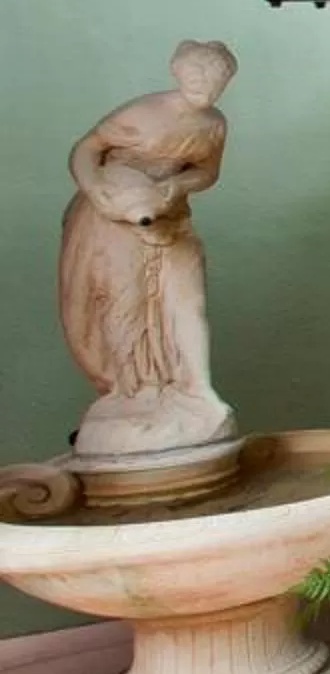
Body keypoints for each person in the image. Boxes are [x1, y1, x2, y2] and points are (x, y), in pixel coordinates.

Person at [59, 40, 238, 458]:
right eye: (198, 74)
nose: (206, 85)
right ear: (179, 71)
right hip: (114, 215)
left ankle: (197, 389)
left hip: (168, 213)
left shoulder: (213, 125)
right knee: (124, 301)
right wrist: (97, 191)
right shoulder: (143, 113)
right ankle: (132, 390)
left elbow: (207, 172)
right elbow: (86, 149)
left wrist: (178, 184)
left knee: (186, 300)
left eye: (216, 78)